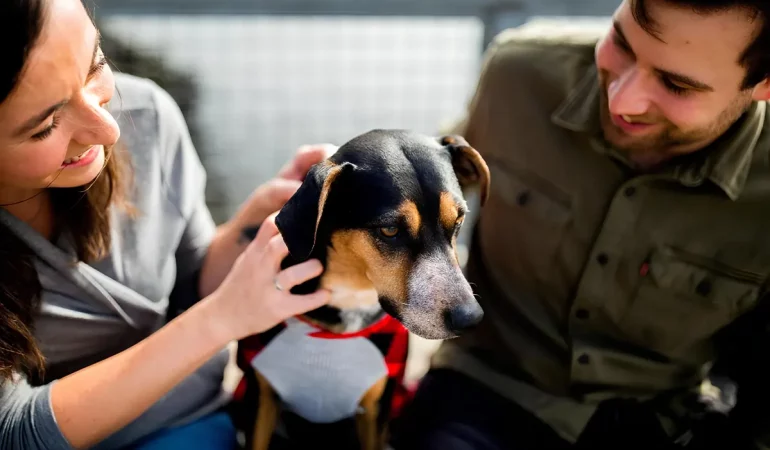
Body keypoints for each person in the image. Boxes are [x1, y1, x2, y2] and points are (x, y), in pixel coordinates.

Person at [390, 0, 770, 449]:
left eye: (676, 85)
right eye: (621, 44)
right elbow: (434, 189)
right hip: (482, 390)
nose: (622, 98)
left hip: (657, 420)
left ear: (763, 84)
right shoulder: (518, 74)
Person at [0, 0, 334, 449]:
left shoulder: (148, 116)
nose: (108, 129)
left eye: (95, 66)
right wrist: (221, 319)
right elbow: (15, 433)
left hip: (194, 419)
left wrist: (250, 226)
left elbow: (189, 283)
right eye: (46, 126)